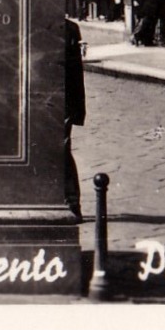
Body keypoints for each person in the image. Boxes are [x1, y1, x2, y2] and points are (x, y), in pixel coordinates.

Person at [64, 18, 86, 215]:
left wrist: (74, 112)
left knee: (62, 148)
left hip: (61, 104)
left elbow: (75, 75)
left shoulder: (69, 29)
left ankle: (72, 202)